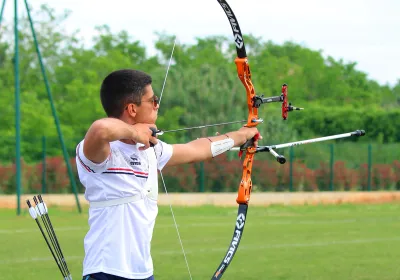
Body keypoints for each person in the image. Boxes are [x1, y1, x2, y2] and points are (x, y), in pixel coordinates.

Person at [76, 69, 261, 280]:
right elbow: (100, 128)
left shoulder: (151, 149)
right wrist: (136, 132)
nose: (157, 105)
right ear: (132, 109)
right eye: (153, 100)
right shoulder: (101, 152)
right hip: (105, 271)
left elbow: (196, 149)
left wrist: (241, 135)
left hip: (143, 273)